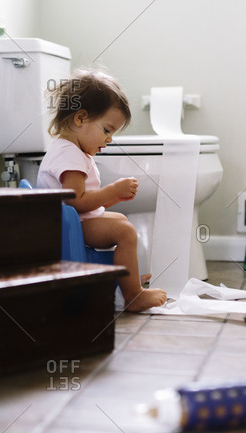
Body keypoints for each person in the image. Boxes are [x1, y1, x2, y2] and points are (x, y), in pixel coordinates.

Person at [37, 69, 167, 312]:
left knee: (121, 220)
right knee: (125, 232)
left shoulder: (69, 150)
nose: (109, 140)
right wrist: (111, 191)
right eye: (107, 130)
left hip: (69, 221)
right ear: (80, 118)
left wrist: (113, 198)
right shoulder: (69, 156)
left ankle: (124, 279)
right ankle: (133, 296)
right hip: (67, 226)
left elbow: (83, 203)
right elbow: (76, 201)